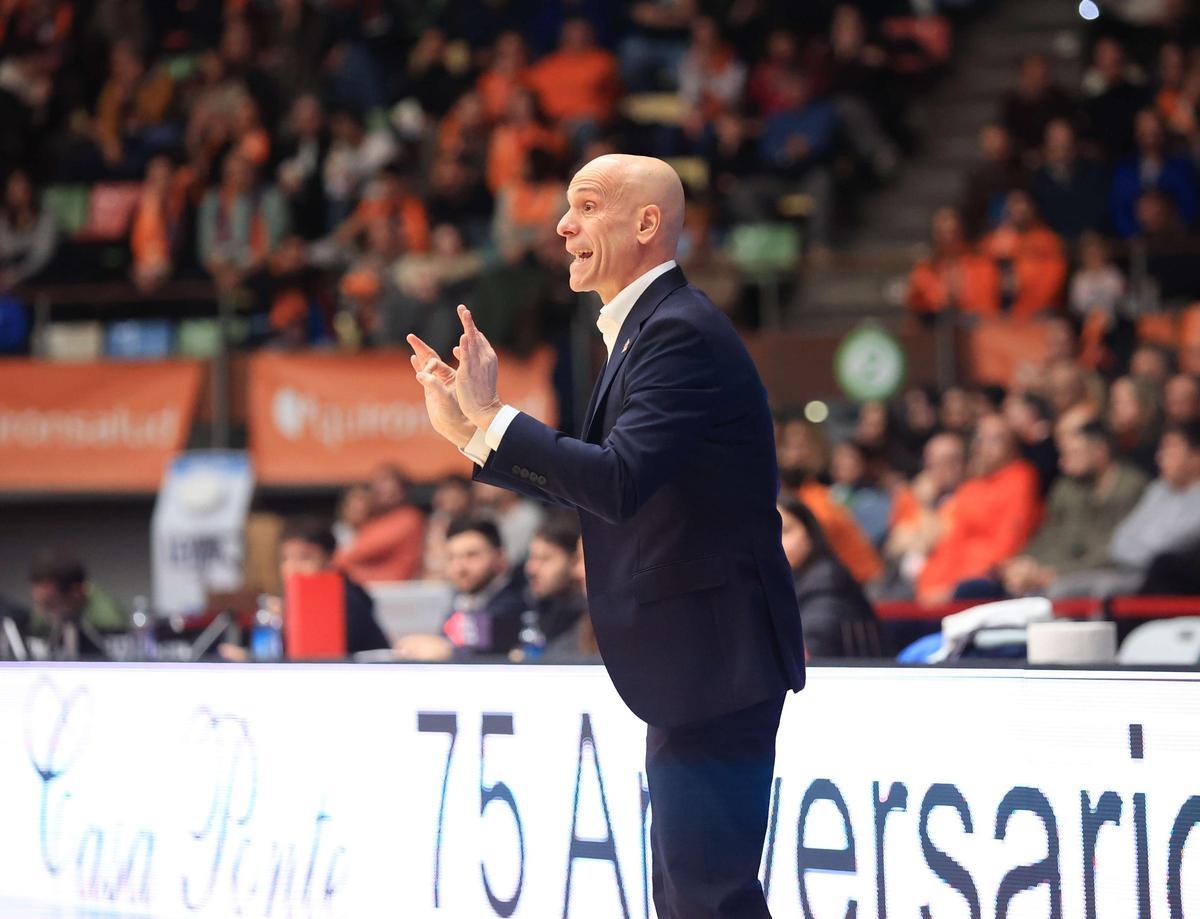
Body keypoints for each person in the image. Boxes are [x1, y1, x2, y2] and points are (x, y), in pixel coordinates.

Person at [408, 153, 805, 918]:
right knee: (692, 896)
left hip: (716, 660)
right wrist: (472, 432)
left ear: (646, 224)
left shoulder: (677, 333)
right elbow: (604, 482)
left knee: (707, 898)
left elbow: (617, 482)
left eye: (586, 207)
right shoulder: (645, 331)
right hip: (701, 659)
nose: (563, 225)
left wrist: (496, 419)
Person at [1001, 421, 1148, 598]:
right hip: (1064, 571)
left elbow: (1117, 549)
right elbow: (1051, 535)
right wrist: (1026, 562)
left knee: (1057, 591)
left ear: (1100, 451)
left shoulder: (1131, 487)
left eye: (1075, 453)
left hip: (1110, 572)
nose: (1063, 463)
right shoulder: (1069, 487)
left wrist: (1055, 573)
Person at [221, 517, 391, 660]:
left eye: (304, 558)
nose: (292, 567)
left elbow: (319, 659)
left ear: (329, 559)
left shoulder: (347, 600)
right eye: (285, 559)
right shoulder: (288, 602)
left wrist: (288, 622)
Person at [917, 414, 1042, 603]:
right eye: (981, 438)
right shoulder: (970, 487)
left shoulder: (1021, 478)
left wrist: (950, 590)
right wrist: (932, 585)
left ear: (1012, 445)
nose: (985, 446)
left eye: (995, 439)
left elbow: (1009, 542)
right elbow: (952, 540)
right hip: (952, 577)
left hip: (987, 578)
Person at [393, 516, 527, 661]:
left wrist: (446, 651)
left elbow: (484, 648)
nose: (459, 568)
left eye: (471, 555)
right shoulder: (462, 597)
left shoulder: (517, 602)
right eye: (451, 557)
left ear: (500, 557)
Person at [779, 496, 879, 658]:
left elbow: (809, 649)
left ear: (810, 535)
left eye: (785, 531)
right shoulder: (782, 581)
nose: (776, 541)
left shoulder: (826, 580)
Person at [25, 548, 128, 660]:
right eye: (39, 603)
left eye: (50, 602)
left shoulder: (108, 619)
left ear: (76, 591)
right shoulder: (40, 615)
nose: (41, 611)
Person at [333, 464, 427, 583]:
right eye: (378, 485)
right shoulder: (375, 520)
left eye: (389, 484)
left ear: (402, 490)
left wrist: (337, 560)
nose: (383, 489)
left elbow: (356, 552)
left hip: (391, 589)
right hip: (370, 585)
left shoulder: (408, 518)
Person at [519, 514, 588, 658]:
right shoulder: (535, 604)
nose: (530, 569)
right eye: (531, 557)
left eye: (544, 558)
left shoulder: (592, 615)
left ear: (574, 560)